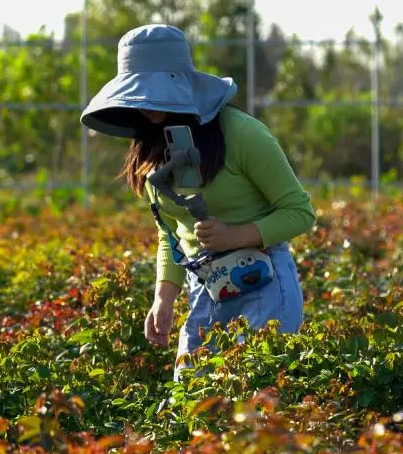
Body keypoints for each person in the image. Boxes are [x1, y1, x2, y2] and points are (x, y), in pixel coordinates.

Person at [80, 24, 315, 377]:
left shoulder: (242, 133)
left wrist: (237, 235)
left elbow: (300, 212)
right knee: (191, 399)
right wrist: (164, 297)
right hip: (205, 288)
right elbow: (171, 232)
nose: (146, 105)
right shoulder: (151, 146)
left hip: (262, 283)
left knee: (258, 407)